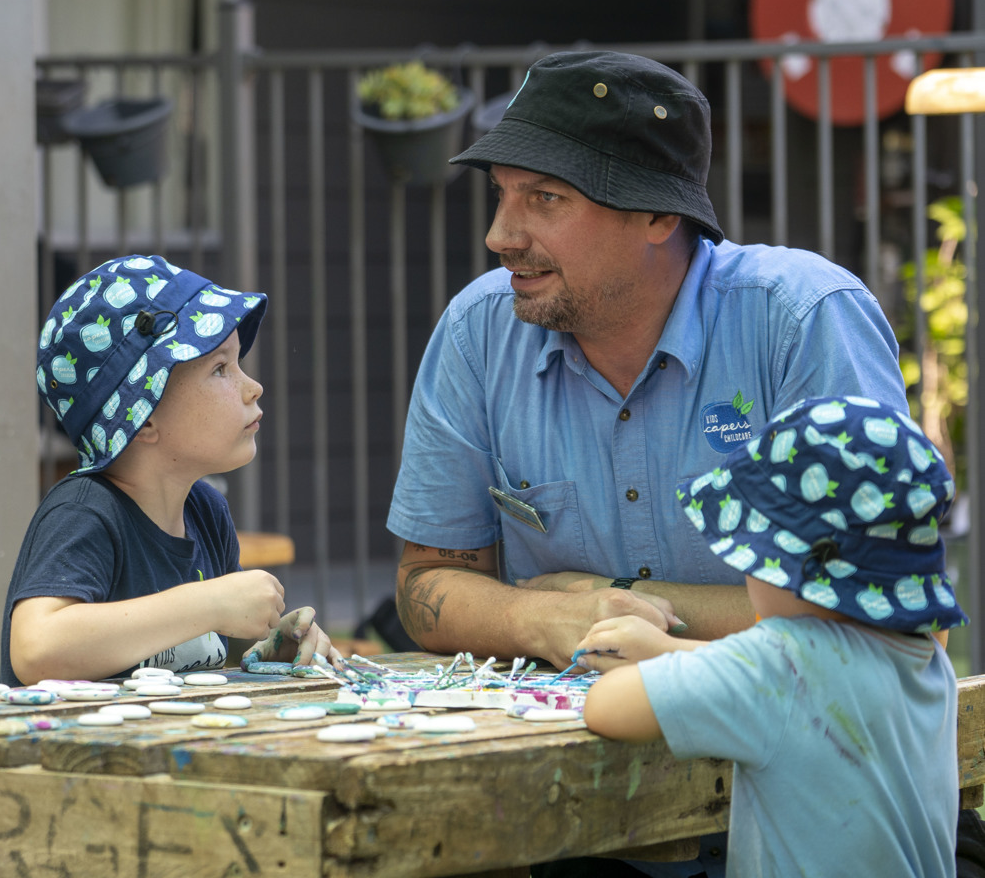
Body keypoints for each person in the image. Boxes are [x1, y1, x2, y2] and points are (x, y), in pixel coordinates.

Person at [385, 50, 913, 878]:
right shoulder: (477, 330)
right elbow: (424, 588)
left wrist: (619, 605)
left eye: (545, 199)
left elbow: (864, 620)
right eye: (502, 195)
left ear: (658, 216)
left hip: (800, 823)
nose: (500, 234)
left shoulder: (804, 319)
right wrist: (538, 619)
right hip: (567, 822)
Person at [581, 396, 965, 877]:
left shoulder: (779, 665)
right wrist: (672, 651)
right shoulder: (924, 651)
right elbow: (816, 688)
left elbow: (608, 706)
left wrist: (661, 658)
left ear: (788, 567)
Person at [1, 254, 332, 687]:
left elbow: (204, 655)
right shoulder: (85, 514)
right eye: (220, 369)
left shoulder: (204, 512)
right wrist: (209, 603)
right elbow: (36, 649)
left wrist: (271, 647)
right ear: (143, 418)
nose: (253, 387)